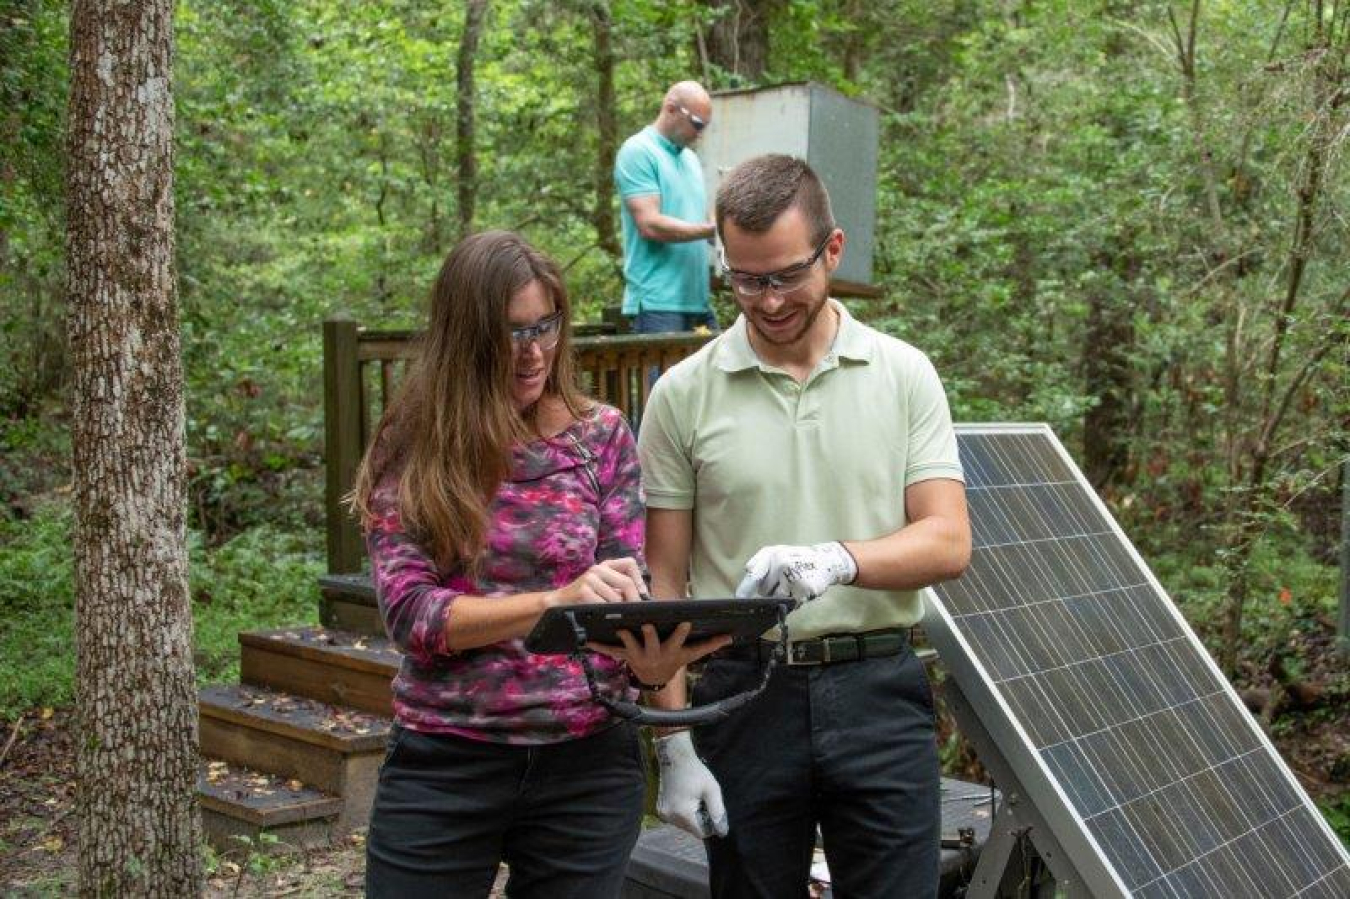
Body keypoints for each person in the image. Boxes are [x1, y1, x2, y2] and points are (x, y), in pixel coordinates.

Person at [637, 155, 973, 898]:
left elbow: (948, 539)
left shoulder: (904, 373)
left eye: (787, 274)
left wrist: (839, 559)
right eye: (747, 280)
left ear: (833, 250)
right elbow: (664, 582)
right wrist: (674, 744)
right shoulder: (682, 396)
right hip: (743, 691)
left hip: (877, 684)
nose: (769, 299)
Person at [351, 230, 723, 898]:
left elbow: (624, 593)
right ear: (465, 337)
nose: (533, 351)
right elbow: (413, 616)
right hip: (446, 760)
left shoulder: (601, 435)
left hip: (586, 765)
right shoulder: (414, 444)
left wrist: (661, 685)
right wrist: (554, 601)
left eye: (545, 326)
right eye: (510, 332)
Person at [615, 80, 718, 334]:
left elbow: (703, 222)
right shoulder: (638, 151)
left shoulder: (691, 160)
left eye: (705, 126)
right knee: (664, 376)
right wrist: (710, 230)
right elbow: (649, 224)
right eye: (696, 123)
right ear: (671, 108)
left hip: (697, 302)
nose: (700, 133)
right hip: (657, 303)